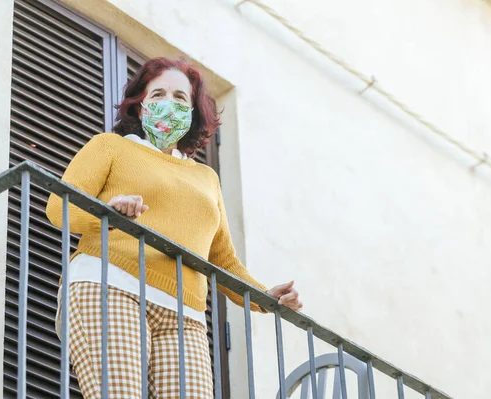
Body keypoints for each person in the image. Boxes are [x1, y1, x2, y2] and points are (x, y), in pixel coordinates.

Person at [46, 57, 302, 399]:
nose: (169, 103)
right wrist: (107, 213)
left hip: (186, 315)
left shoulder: (206, 178)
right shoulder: (111, 147)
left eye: (180, 98)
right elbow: (59, 210)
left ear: (193, 112)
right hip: (110, 286)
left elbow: (222, 260)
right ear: (140, 108)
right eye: (158, 95)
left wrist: (263, 299)